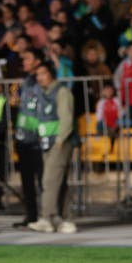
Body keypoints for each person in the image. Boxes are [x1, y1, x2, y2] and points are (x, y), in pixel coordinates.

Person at [28, 62, 78, 234]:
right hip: (46, 142)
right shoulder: (41, 93)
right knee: (58, 182)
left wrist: (60, 139)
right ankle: (64, 219)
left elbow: (67, 118)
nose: (40, 78)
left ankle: (46, 218)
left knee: (49, 181)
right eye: (38, 75)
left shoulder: (62, 92)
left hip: (60, 143)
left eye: (43, 73)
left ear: (52, 74)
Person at [12, 48, 45, 228]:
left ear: (37, 61)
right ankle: (31, 216)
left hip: (38, 139)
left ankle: (47, 215)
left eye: (27, 58)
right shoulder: (25, 83)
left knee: (43, 180)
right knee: (27, 181)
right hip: (23, 139)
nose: (23, 61)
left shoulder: (42, 82)